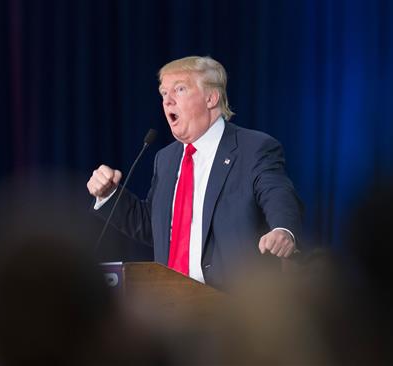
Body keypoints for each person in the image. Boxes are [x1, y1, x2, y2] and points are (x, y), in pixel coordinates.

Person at [87, 56, 303, 289]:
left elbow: (277, 193)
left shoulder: (253, 148)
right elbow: (155, 228)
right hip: (171, 305)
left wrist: (283, 229)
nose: (167, 101)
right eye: (163, 93)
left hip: (233, 306)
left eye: (179, 89)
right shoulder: (166, 159)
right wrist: (110, 194)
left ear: (211, 98)